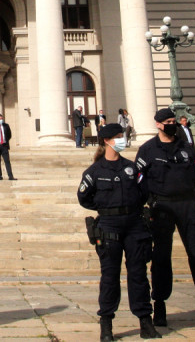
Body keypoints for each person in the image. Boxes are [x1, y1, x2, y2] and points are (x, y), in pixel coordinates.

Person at [135, 107, 195, 328]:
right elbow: (140, 181)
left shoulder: (186, 148)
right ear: (159, 124)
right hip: (162, 207)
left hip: (188, 206)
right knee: (161, 258)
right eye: (169, 121)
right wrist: (150, 203)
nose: (173, 124)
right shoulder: (147, 150)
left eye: (174, 120)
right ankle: (159, 307)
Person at [78, 123, 160, 341]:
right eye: (117, 137)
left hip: (134, 225)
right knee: (109, 277)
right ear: (106, 141)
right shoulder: (94, 172)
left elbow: (144, 193)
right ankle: (106, 325)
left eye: (121, 136)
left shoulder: (132, 168)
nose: (121, 139)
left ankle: (145, 321)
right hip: (109, 226)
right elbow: (84, 198)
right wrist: (106, 207)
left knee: (138, 274)